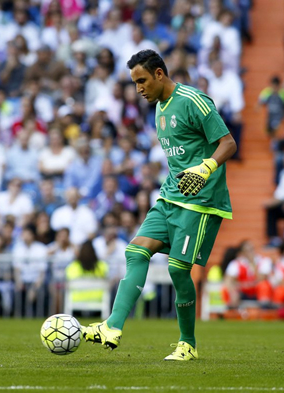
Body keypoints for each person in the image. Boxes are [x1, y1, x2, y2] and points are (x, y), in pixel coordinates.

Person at [82, 49, 237, 361]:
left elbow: (229, 143)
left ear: (159, 74)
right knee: (135, 250)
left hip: (201, 201)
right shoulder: (159, 108)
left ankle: (188, 344)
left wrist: (205, 168)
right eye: (134, 83)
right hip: (170, 196)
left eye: (141, 81)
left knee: (179, 271)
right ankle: (112, 326)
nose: (138, 88)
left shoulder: (194, 100)